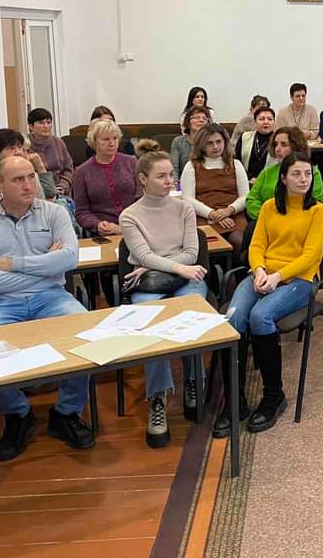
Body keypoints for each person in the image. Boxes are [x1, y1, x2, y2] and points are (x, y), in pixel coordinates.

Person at [0, 156, 94, 461]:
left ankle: (66, 412)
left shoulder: (55, 213)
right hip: (1, 303)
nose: (28, 185)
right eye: (18, 179)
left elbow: (69, 259)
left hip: (52, 296)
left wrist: (13, 264)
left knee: (86, 334)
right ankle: (18, 414)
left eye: (31, 177)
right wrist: (46, 266)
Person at [217, 153, 323, 436]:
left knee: (260, 316)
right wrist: (259, 270)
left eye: (307, 174)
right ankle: (235, 400)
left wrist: (278, 276)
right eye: (296, 174)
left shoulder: (318, 211)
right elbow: (256, 245)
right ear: (283, 178)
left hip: (300, 279)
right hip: (263, 273)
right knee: (232, 319)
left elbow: (310, 255)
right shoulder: (269, 207)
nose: (303, 180)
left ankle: (273, 396)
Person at [120, 149, 209, 448]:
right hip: (151, 285)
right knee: (152, 327)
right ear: (143, 179)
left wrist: (153, 264)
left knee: (193, 318)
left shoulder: (184, 209)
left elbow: (192, 253)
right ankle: (157, 397)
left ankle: (193, 380)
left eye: (171, 174)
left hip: (184, 280)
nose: (170, 181)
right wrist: (171, 265)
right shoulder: (129, 215)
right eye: (161, 176)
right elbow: (142, 255)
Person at [180, 124, 249, 251]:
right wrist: (212, 214)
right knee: (205, 243)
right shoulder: (191, 166)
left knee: (239, 241)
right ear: (202, 145)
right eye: (209, 143)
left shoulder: (236, 164)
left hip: (233, 216)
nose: (215, 146)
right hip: (203, 216)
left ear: (225, 142)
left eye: (219, 141)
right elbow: (188, 199)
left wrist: (228, 211)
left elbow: (245, 196)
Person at [73, 118, 140, 236]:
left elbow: (143, 198)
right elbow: (81, 212)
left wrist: (126, 227)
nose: (112, 143)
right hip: (103, 232)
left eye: (115, 138)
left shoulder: (132, 162)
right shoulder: (82, 172)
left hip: (135, 226)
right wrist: (97, 225)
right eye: (106, 139)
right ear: (94, 142)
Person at [0, 128, 56, 216]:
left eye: (19, 147)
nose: (18, 152)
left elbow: (42, 207)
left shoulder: (29, 173)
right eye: (10, 148)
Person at [246, 127, 323, 220]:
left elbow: (316, 200)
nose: (277, 149)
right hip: (266, 220)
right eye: (276, 144)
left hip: (299, 221)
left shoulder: (311, 172)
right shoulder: (267, 172)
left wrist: (285, 220)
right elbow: (251, 199)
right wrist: (267, 216)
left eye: (284, 145)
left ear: (296, 147)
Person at [27, 108, 74, 194]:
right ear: (31, 126)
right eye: (41, 123)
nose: (46, 126)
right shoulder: (25, 145)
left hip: (61, 189)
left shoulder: (58, 142)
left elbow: (68, 168)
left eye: (48, 122)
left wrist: (63, 186)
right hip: (38, 190)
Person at [170, 104, 211, 186]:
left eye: (204, 119)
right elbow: (174, 167)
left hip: (206, 183)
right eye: (197, 117)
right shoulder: (178, 141)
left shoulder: (211, 142)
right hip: (183, 183)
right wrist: (175, 183)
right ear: (188, 122)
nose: (201, 120)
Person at [236, 105, 276, 180]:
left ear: (274, 122)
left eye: (270, 119)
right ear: (255, 121)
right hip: (245, 179)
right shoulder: (245, 137)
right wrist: (248, 177)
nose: (266, 122)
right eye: (261, 119)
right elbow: (237, 161)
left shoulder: (278, 140)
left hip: (270, 180)